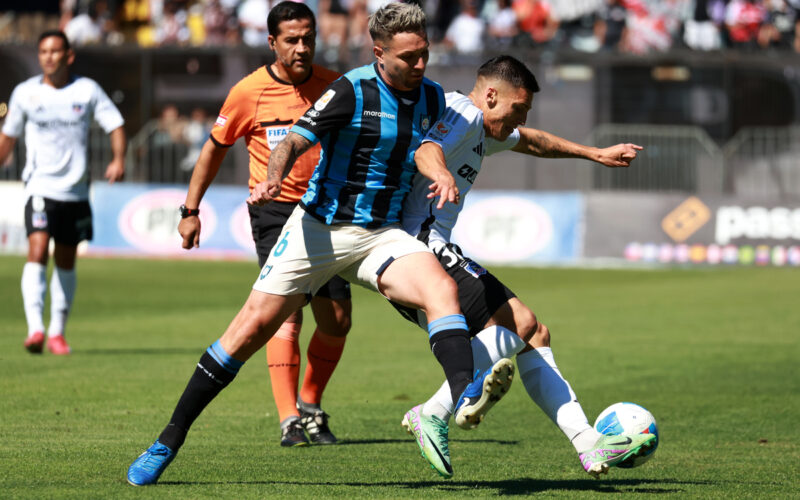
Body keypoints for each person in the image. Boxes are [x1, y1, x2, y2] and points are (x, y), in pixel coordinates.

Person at [127, 3, 512, 486]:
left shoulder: (435, 99)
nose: (419, 65)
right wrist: (273, 178)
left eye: (424, 54)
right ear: (379, 54)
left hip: (381, 234)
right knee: (247, 334)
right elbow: (292, 141)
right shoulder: (352, 89)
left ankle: (465, 392)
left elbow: (501, 133)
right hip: (319, 230)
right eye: (408, 57)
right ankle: (168, 440)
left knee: (441, 289)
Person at [391, 56, 655, 479]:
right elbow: (428, 149)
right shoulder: (463, 113)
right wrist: (441, 175)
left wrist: (593, 153)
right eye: (518, 107)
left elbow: (530, 141)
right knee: (521, 325)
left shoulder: (483, 127)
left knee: (534, 335)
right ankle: (434, 412)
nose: (521, 118)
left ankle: (588, 445)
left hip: (424, 245)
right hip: (418, 244)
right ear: (491, 95)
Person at [176, 1, 351, 448]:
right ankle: (289, 419)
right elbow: (214, 149)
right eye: (291, 40)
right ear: (272, 42)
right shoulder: (247, 92)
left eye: (308, 38)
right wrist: (190, 210)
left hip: (327, 211)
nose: (302, 47)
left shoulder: (335, 87)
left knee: (336, 321)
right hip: (275, 213)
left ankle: (311, 405)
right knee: (286, 314)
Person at [0, 30, 126, 356]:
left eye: (56, 51)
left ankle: (57, 332)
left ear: (68, 56)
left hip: (76, 191)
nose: (49, 57)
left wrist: (118, 159)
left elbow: (115, 123)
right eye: (43, 51)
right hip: (40, 187)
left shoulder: (86, 90)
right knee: (38, 249)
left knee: (66, 261)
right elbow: (8, 137)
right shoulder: (25, 93)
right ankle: (35, 330)